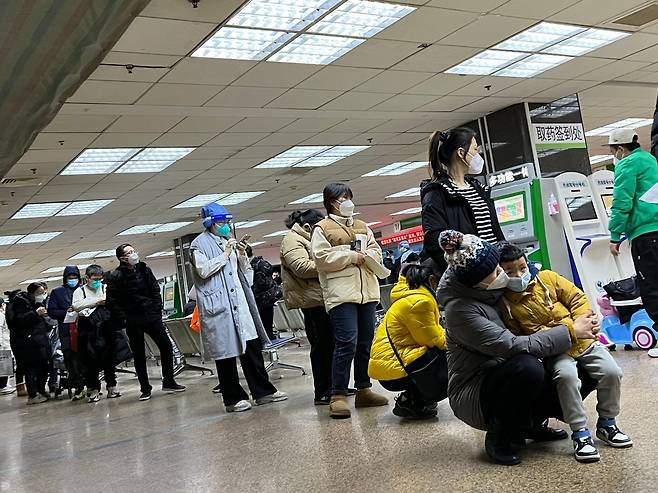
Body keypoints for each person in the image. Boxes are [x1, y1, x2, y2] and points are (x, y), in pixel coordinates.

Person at [436, 230, 598, 466]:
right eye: (496, 271)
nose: (503, 273)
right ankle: (499, 436)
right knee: (527, 367)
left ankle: (530, 425)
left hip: (507, 369)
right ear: (478, 281)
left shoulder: (489, 287)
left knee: (585, 365)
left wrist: (584, 319)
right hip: (477, 390)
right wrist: (571, 331)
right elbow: (511, 346)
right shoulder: (460, 310)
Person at [498, 242, 631, 463]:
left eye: (522, 268)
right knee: (567, 377)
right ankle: (580, 432)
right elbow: (520, 337)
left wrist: (586, 320)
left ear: (528, 263)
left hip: (584, 342)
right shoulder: (505, 304)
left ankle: (607, 422)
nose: (518, 275)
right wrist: (567, 331)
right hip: (556, 351)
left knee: (612, 372)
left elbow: (576, 298)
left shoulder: (547, 278)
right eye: (510, 272)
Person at [190, 202, 286, 413]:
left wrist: (241, 256)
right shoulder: (198, 245)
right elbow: (203, 271)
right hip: (220, 308)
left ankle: (263, 392)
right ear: (210, 224)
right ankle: (233, 399)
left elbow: (246, 278)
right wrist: (224, 254)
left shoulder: (228, 241)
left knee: (252, 349)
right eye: (222, 222)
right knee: (226, 354)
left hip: (240, 304)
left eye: (227, 222)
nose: (226, 226)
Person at [311, 182, 389, 419]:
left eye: (348, 196)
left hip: (367, 291)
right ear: (330, 203)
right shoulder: (322, 228)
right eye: (340, 198)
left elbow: (376, 250)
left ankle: (364, 389)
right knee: (346, 342)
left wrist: (369, 256)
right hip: (341, 293)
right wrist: (351, 255)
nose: (346, 201)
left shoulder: (362, 225)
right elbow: (321, 258)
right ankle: (338, 394)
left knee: (366, 342)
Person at [106, 244, 185, 401]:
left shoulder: (144, 269)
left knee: (166, 345)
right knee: (139, 354)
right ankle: (145, 388)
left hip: (151, 315)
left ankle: (169, 380)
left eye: (133, 251)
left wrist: (157, 308)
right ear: (122, 258)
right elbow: (112, 301)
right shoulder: (116, 276)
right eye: (129, 253)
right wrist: (124, 317)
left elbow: (155, 289)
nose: (133, 254)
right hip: (132, 319)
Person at [421, 128, 505, 275]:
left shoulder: (478, 188)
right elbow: (435, 241)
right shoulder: (437, 194)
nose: (478, 155)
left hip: (496, 268)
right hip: (471, 274)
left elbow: (494, 231)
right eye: (475, 149)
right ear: (461, 153)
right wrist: (463, 270)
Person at [369, 264, 447, 420]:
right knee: (447, 356)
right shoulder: (418, 302)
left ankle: (415, 396)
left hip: (390, 365)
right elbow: (433, 339)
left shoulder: (411, 296)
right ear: (431, 281)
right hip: (394, 372)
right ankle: (414, 400)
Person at [607, 128, 658, 360]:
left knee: (651, 287)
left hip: (645, 234)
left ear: (620, 149)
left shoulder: (627, 165)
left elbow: (621, 202)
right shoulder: (650, 159)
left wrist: (615, 235)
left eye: (614, 152)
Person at [281, 209, 335, 405]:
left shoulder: (306, 238)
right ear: (308, 226)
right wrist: (331, 261)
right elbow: (301, 268)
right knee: (321, 346)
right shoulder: (292, 240)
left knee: (331, 344)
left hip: (321, 297)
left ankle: (336, 387)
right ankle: (323, 391)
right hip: (312, 301)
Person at [72, 265, 121, 403]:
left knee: (109, 359)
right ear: (87, 278)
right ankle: (93, 390)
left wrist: (90, 303)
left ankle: (112, 387)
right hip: (88, 330)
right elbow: (76, 306)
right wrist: (97, 301)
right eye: (94, 279)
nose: (97, 282)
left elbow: (111, 301)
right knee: (90, 361)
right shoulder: (79, 291)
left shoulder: (105, 288)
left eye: (100, 279)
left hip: (106, 328)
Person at [6, 283, 53, 405]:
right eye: (40, 293)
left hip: (39, 340)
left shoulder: (35, 303)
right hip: (27, 342)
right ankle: (33, 395)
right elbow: (19, 320)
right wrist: (36, 313)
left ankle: (41, 390)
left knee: (43, 367)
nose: (42, 295)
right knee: (31, 369)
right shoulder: (21, 303)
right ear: (32, 293)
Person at [47, 266, 86, 400]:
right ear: (65, 278)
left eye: (75, 277)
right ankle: (78, 386)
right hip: (66, 331)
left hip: (84, 329)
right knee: (71, 359)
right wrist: (67, 312)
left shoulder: (84, 290)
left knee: (85, 357)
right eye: (70, 278)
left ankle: (90, 384)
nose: (73, 280)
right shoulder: (57, 292)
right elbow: (51, 311)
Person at [249, 247, 282, 341]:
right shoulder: (262, 263)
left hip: (262, 298)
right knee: (266, 322)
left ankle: (267, 340)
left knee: (264, 322)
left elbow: (261, 283)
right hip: (266, 298)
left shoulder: (255, 265)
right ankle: (268, 338)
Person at [0, 298, 16, 395]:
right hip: (3, 345)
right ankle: (2, 386)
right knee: (4, 366)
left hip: (3, 344)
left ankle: (3, 385)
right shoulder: (0, 316)